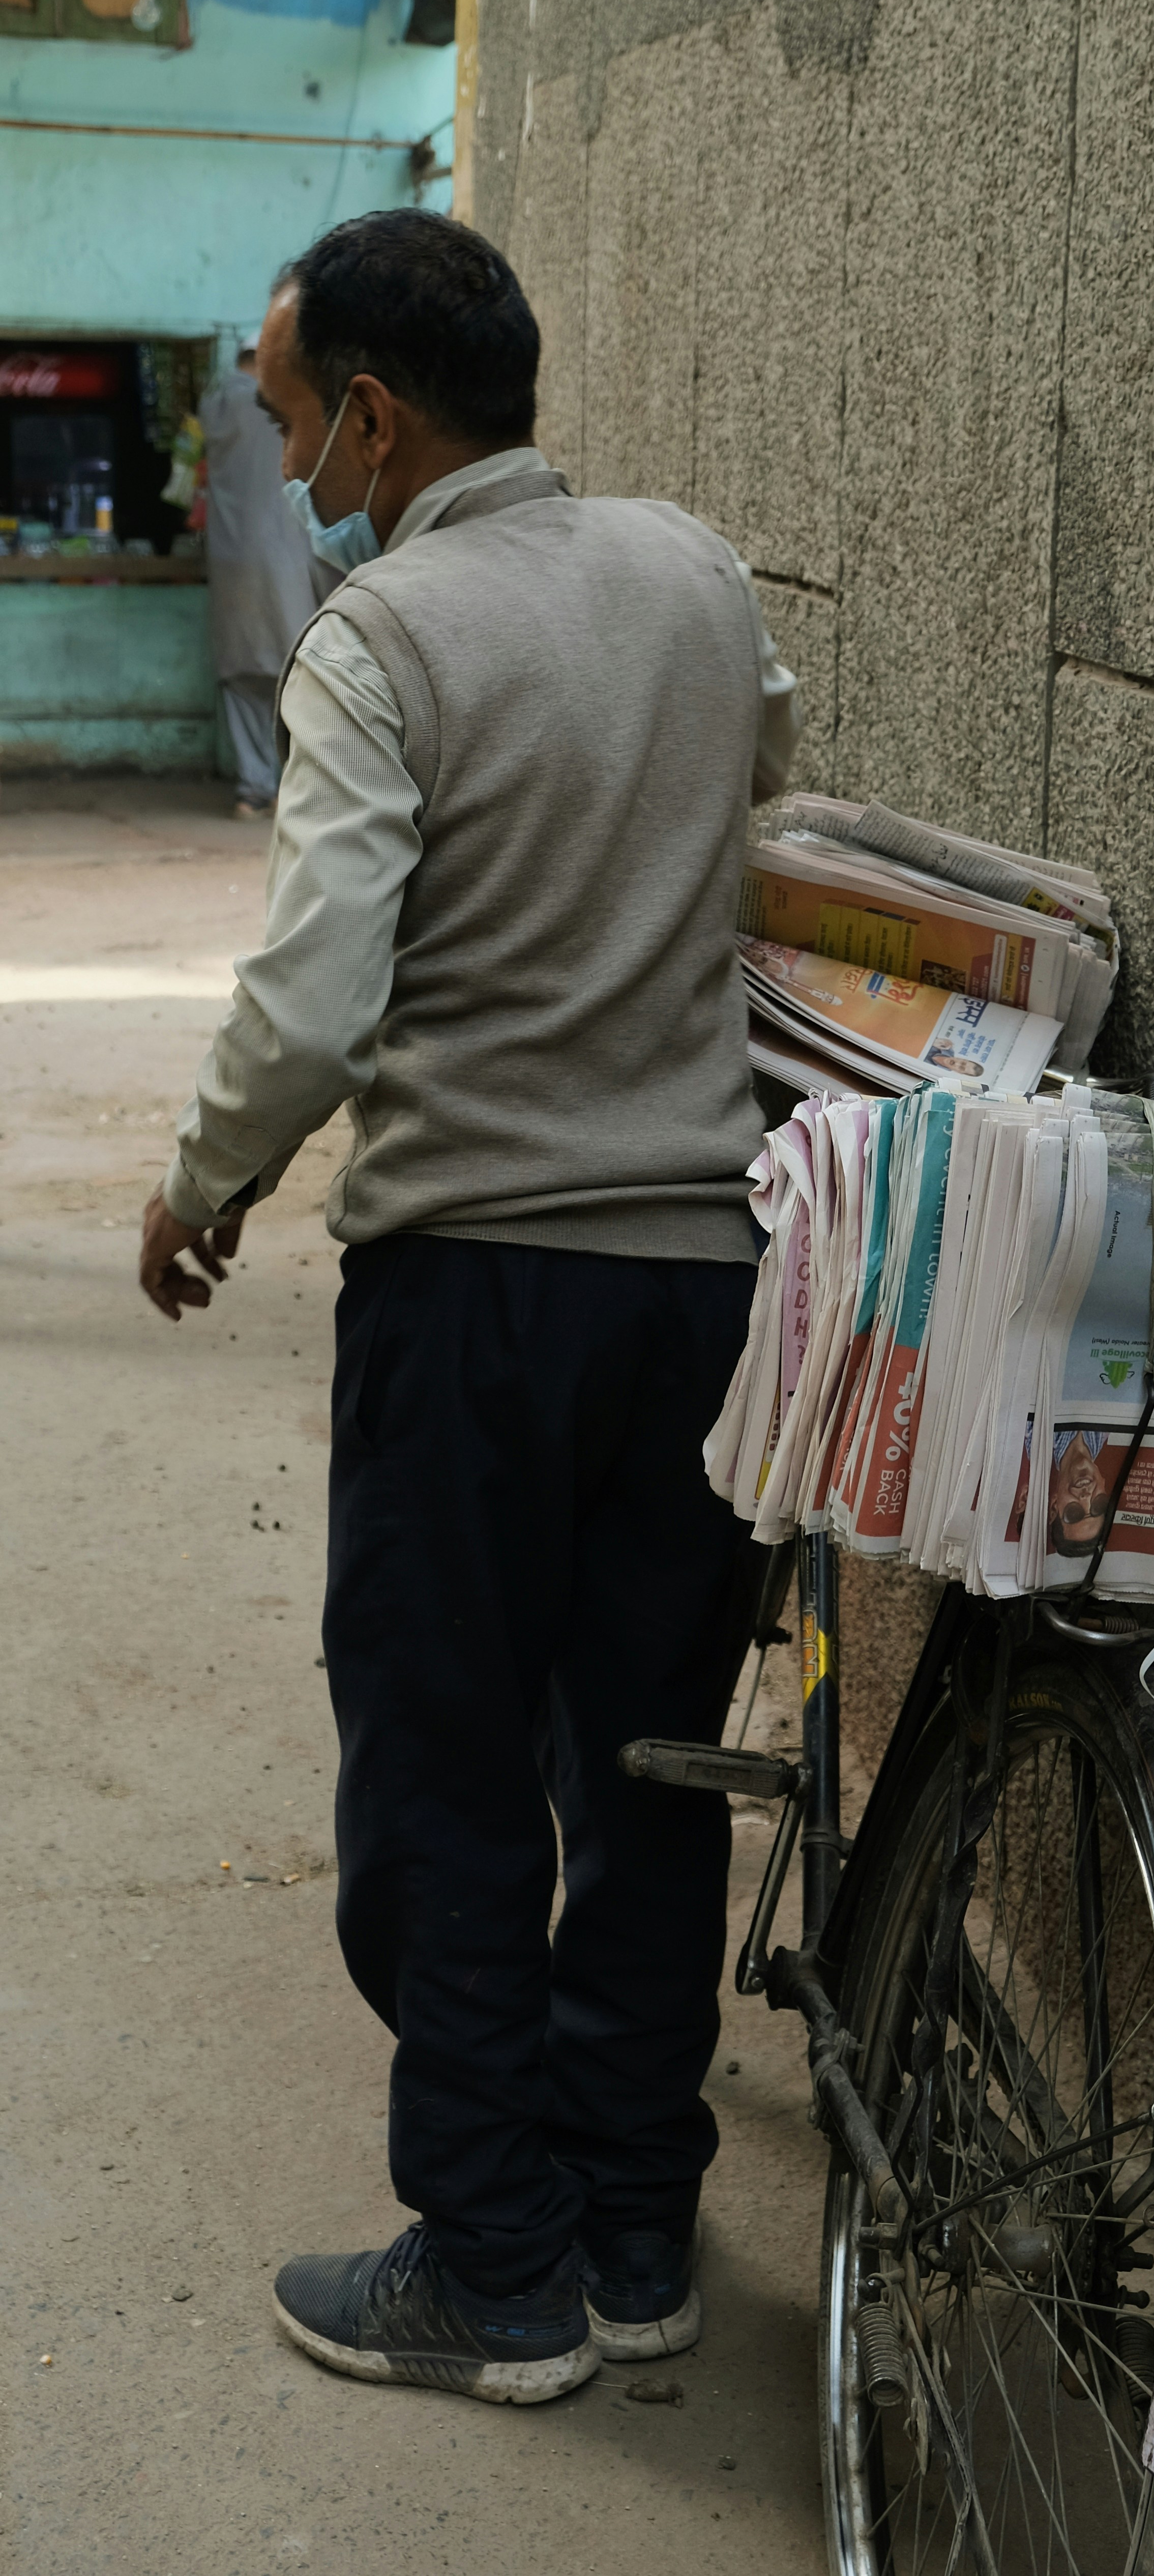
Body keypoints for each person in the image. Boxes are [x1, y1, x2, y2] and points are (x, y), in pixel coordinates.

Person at [137, 210, 800, 2407]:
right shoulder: (697, 577)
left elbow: (318, 1000)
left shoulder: (382, 639)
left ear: (373, 417)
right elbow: (762, 801)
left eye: (283, 406)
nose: (275, 443)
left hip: (477, 1296)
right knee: (646, 1766)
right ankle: (632, 2226)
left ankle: (496, 2267)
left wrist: (203, 1180)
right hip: (703, 1293)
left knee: (442, 1772)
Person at [196, 341, 319, 817]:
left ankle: (253, 791)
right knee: (297, 677)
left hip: (231, 563)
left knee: (241, 679)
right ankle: (295, 790)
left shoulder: (214, 406)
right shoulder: (289, 402)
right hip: (288, 561)